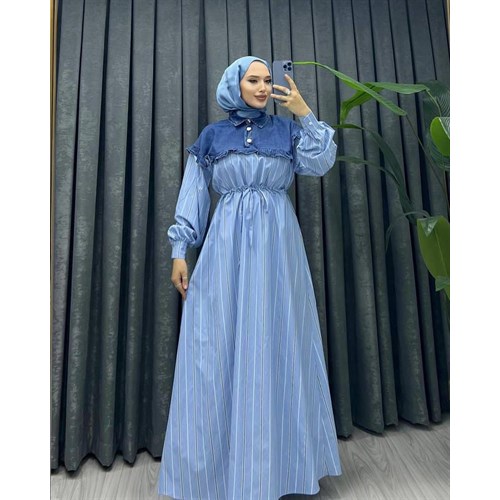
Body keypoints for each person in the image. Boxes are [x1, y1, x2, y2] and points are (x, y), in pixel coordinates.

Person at [157, 56, 342, 500]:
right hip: (225, 249)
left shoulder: (287, 131)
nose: (262, 87)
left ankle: (279, 468)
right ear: (234, 85)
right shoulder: (212, 136)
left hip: (278, 250)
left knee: (280, 340)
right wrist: (180, 250)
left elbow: (322, 161)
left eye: (267, 80)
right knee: (216, 342)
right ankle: (217, 470)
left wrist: (303, 111)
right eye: (252, 80)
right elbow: (193, 193)